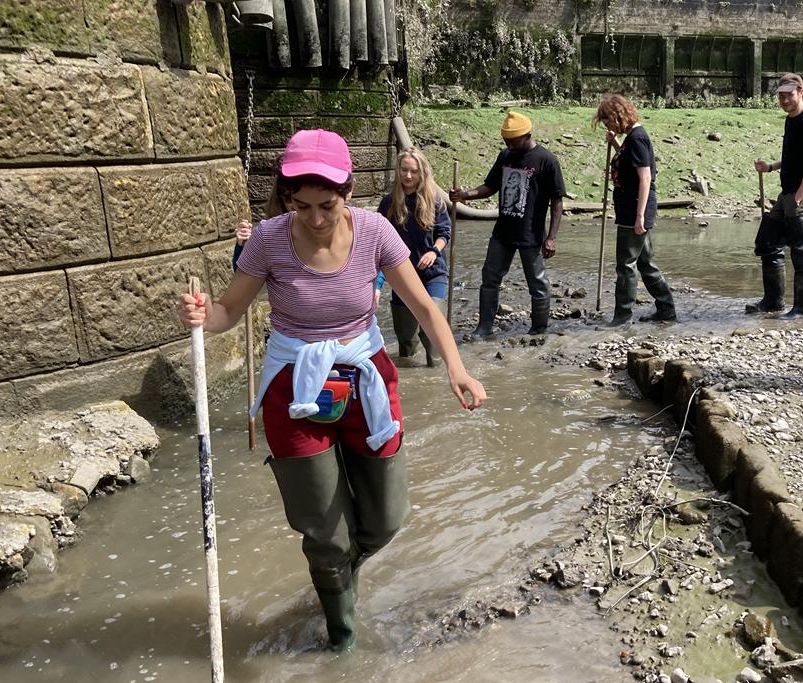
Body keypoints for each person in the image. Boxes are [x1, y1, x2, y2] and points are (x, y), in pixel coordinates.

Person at [176, 129, 487, 653]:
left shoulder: (376, 231)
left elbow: (425, 306)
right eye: (303, 206)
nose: (316, 218)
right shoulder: (269, 238)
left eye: (328, 204)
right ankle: (341, 641)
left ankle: (341, 569)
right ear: (287, 198)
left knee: (386, 518)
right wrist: (207, 315)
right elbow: (231, 310)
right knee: (323, 532)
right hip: (292, 385)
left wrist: (456, 368)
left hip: (364, 377)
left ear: (348, 191)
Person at [449, 111, 566, 337]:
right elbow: (490, 186)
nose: (509, 145)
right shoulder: (505, 157)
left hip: (531, 234)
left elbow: (557, 201)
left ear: (527, 136)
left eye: (513, 141)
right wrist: (465, 195)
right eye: (506, 141)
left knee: (537, 283)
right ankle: (484, 327)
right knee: (490, 278)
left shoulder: (547, 160)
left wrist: (551, 237)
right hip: (503, 232)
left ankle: (539, 329)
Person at [593, 94, 677, 326]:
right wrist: (616, 143)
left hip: (635, 211)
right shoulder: (632, 138)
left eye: (608, 120)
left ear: (618, 116)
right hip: (634, 209)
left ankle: (622, 317)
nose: (607, 125)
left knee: (626, 264)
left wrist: (640, 216)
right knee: (645, 263)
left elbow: (645, 178)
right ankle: (666, 309)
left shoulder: (638, 138)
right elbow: (631, 162)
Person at [747, 72, 803, 320]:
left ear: (801, 92)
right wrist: (770, 167)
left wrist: (799, 198)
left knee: (802, 252)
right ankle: (773, 301)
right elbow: (793, 158)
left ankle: (802, 310)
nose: (784, 100)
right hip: (788, 192)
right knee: (767, 242)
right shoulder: (791, 119)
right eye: (781, 96)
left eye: (789, 95)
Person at [377, 147, 452, 367]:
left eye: (414, 171)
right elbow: (379, 246)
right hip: (402, 276)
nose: (408, 176)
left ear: (422, 173)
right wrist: (377, 284)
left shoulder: (435, 200)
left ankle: (435, 374)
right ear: (398, 171)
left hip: (433, 272)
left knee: (433, 328)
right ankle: (408, 377)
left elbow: (444, 233)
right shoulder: (388, 204)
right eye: (404, 170)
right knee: (406, 341)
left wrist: (434, 251)